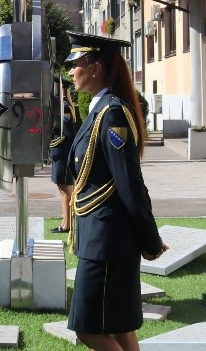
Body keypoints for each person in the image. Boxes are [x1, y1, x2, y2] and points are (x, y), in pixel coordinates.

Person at [64, 32, 166, 350]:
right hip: (100, 237)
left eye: (76, 64)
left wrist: (150, 239)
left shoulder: (112, 114)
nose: (70, 71)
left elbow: (129, 184)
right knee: (119, 327)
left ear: (95, 68)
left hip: (107, 243)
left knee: (88, 329)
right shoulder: (100, 110)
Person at [50, 82, 79, 233]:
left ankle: (68, 224)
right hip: (59, 152)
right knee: (62, 189)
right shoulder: (61, 105)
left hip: (63, 152)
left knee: (65, 189)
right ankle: (65, 222)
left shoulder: (64, 107)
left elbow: (68, 132)